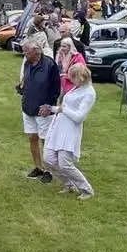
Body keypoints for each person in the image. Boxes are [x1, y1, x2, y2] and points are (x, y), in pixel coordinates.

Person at [41, 63, 97, 199]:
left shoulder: (89, 93)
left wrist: (62, 109)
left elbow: (79, 117)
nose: (69, 80)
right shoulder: (76, 88)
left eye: (72, 77)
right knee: (48, 159)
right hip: (58, 127)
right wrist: (51, 108)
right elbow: (64, 106)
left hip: (70, 131)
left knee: (65, 163)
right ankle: (69, 184)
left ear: (80, 77)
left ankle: (86, 189)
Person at [19, 43, 60, 182]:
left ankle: (49, 170)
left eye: (27, 53)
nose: (25, 55)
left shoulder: (50, 65)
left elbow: (55, 88)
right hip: (28, 107)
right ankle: (38, 167)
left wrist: (49, 105)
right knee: (32, 137)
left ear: (36, 52)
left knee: (46, 139)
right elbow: (26, 80)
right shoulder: (27, 63)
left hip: (43, 109)